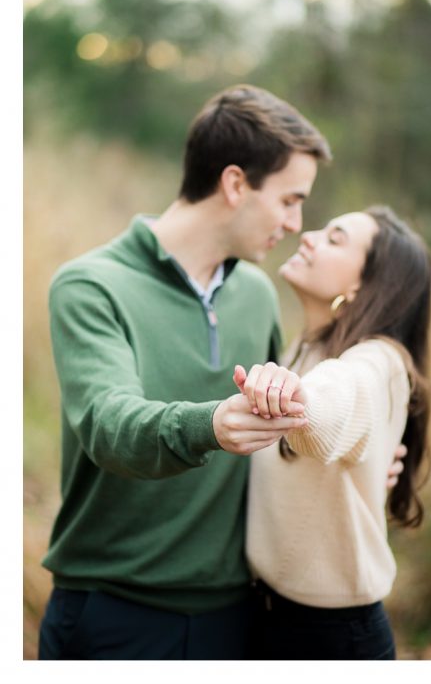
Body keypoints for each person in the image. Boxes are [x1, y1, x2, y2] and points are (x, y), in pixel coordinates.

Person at [37, 85, 333, 660]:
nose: (296, 223)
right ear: (235, 184)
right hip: (113, 611)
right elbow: (108, 425)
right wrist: (211, 425)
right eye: (290, 200)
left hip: (236, 613)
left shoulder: (256, 293)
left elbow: (278, 435)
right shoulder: (91, 285)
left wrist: (354, 460)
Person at [235, 206, 431, 660]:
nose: (308, 235)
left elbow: (335, 402)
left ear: (362, 286)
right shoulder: (305, 347)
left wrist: (295, 397)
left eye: (334, 239)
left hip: (333, 638)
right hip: (271, 616)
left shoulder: (379, 362)